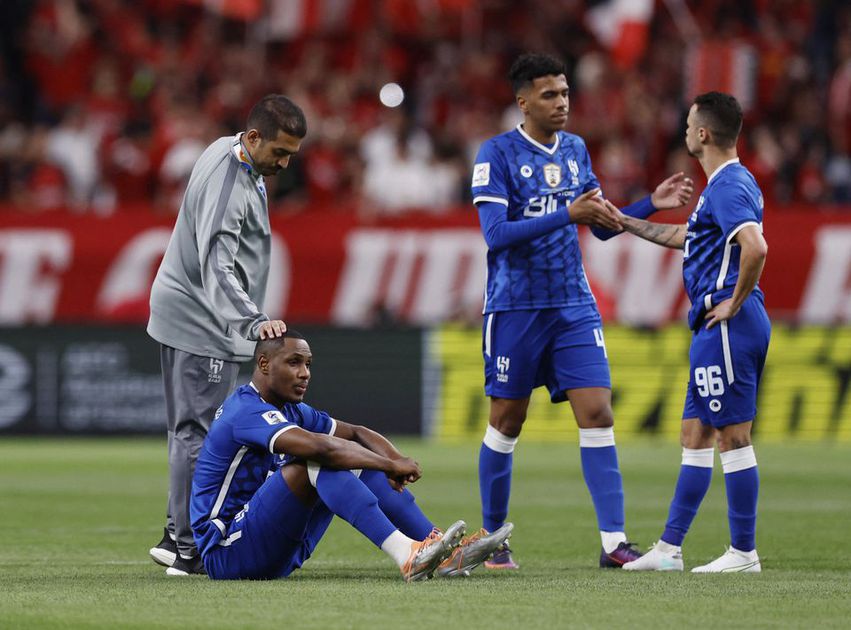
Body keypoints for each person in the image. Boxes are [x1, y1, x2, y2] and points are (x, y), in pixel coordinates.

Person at [471, 53, 694, 569]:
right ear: (523, 100)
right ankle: (492, 540)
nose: (562, 103)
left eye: (566, 93)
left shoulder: (574, 150)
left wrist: (647, 204)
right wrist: (564, 213)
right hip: (515, 306)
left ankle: (614, 542)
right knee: (507, 421)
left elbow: (596, 224)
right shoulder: (496, 154)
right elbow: (496, 235)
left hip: (573, 304)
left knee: (598, 413)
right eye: (550, 95)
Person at [190, 331, 514, 581]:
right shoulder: (244, 410)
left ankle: (440, 549)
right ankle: (406, 555)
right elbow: (323, 449)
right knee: (319, 460)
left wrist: (393, 460)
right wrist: (388, 464)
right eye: (294, 362)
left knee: (353, 459)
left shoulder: (291, 410)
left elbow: (356, 432)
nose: (305, 373)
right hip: (227, 551)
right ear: (263, 364)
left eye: (308, 364)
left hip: (276, 547)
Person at [146, 95, 302, 575]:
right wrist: (253, 321)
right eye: (279, 151)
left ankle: (177, 535)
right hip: (202, 321)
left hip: (187, 312)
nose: (285, 162)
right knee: (200, 434)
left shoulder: (224, 148)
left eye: (292, 153)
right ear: (253, 138)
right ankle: (191, 544)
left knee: (188, 431)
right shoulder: (232, 180)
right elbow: (217, 263)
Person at [616, 92, 769, 573]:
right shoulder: (724, 186)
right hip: (711, 327)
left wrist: (735, 302)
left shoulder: (727, 186)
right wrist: (625, 222)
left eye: (688, 124)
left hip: (727, 325)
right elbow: (691, 237)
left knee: (733, 438)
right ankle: (668, 550)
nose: (684, 130)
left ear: (703, 133)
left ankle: (744, 553)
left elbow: (756, 247)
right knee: (695, 433)